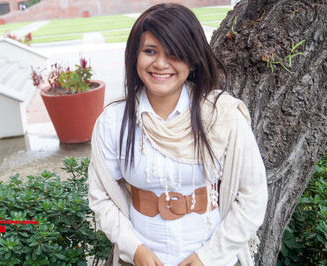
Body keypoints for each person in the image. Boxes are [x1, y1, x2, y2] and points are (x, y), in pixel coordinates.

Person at [88, 3, 268, 266]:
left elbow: (253, 196)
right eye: (150, 51)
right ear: (134, 56)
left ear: (192, 58)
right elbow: (101, 196)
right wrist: (135, 250)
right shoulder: (113, 122)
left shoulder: (222, 115)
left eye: (174, 53)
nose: (160, 63)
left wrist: (208, 257)